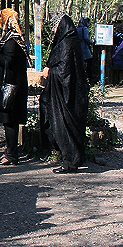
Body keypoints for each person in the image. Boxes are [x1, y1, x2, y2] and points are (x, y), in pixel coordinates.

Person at [39, 14, 90, 174]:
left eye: (56, 27)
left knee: (65, 127)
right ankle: (71, 157)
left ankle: (70, 162)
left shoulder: (67, 44)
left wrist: (50, 71)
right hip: (67, 94)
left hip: (68, 96)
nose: (54, 30)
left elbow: (64, 72)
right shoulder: (69, 42)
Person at [0, 9, 33, 165]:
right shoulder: (11, 38)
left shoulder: (12, 41)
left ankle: (12, 155)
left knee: (10, 120)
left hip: (12, 87)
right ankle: (9, 151)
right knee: (9, 121)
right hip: (12, 84)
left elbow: (7, 62)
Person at [77, 17, 95, 83]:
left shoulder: (77, 29)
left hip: (79, 49)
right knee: (89, 65)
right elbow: (86, 38)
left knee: (80, 66)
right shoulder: (85, 29)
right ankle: (90, 80)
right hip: (85, 49)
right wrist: (91, 42)